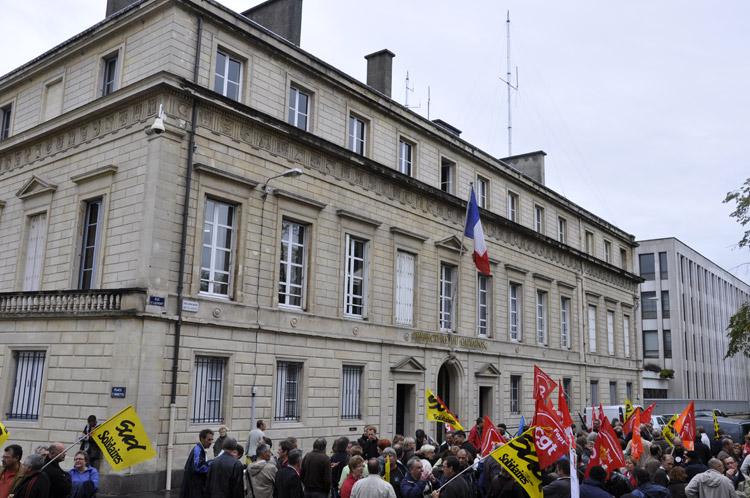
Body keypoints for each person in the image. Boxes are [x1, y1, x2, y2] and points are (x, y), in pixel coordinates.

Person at [180, 428, 214, 498]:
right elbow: (198, 467)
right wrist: (212, 463)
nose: (211, 442)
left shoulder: (200, 449)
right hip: (193, 485)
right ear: (202, 439)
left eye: (212, 440)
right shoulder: (197, 450)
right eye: (209, 439)